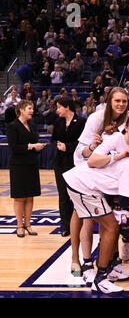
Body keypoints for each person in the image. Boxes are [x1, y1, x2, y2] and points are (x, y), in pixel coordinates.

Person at [63, 134, 129, 294]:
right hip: (82, 185)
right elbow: (124, 201)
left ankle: (107, 268)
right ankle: (100, 279)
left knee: (112, 227)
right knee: (111, 227)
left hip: (89, 186)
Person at [69, 87, 129, 280]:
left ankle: (111, 261)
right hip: (87, 169)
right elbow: (81, 153)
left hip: (108, 172)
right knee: (84, 215)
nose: (121, 104)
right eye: (117, 101)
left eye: (124, 101)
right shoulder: (96, 118)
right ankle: (81, 261)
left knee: (108, 217)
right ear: (110, 101)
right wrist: (93, 146)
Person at [6, 100, 45, 238]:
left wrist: (37, 147)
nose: (32, 111)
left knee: (30, 195)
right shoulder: (13, 126)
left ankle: (28, 224)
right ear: (21, 110)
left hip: (31, 163)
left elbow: (34, 142)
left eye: (32, 108)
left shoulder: (32, 126)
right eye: (29, 108)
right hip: (18, 165)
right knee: (19, 197)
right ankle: (19, 226)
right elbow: (14, 147)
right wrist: (32, 146)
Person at [51, 96, 86, 237]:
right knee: (63, 196)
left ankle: (81, 224)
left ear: (66, 107)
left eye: (59, 107)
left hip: (76, 163)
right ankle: (65, 226)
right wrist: (57, 145)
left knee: (78, 195)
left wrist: (68, 147)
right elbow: (53, 139)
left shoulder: (82, 121)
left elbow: (84, 142)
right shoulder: (58, 121)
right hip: (60, 163)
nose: (57, 110)